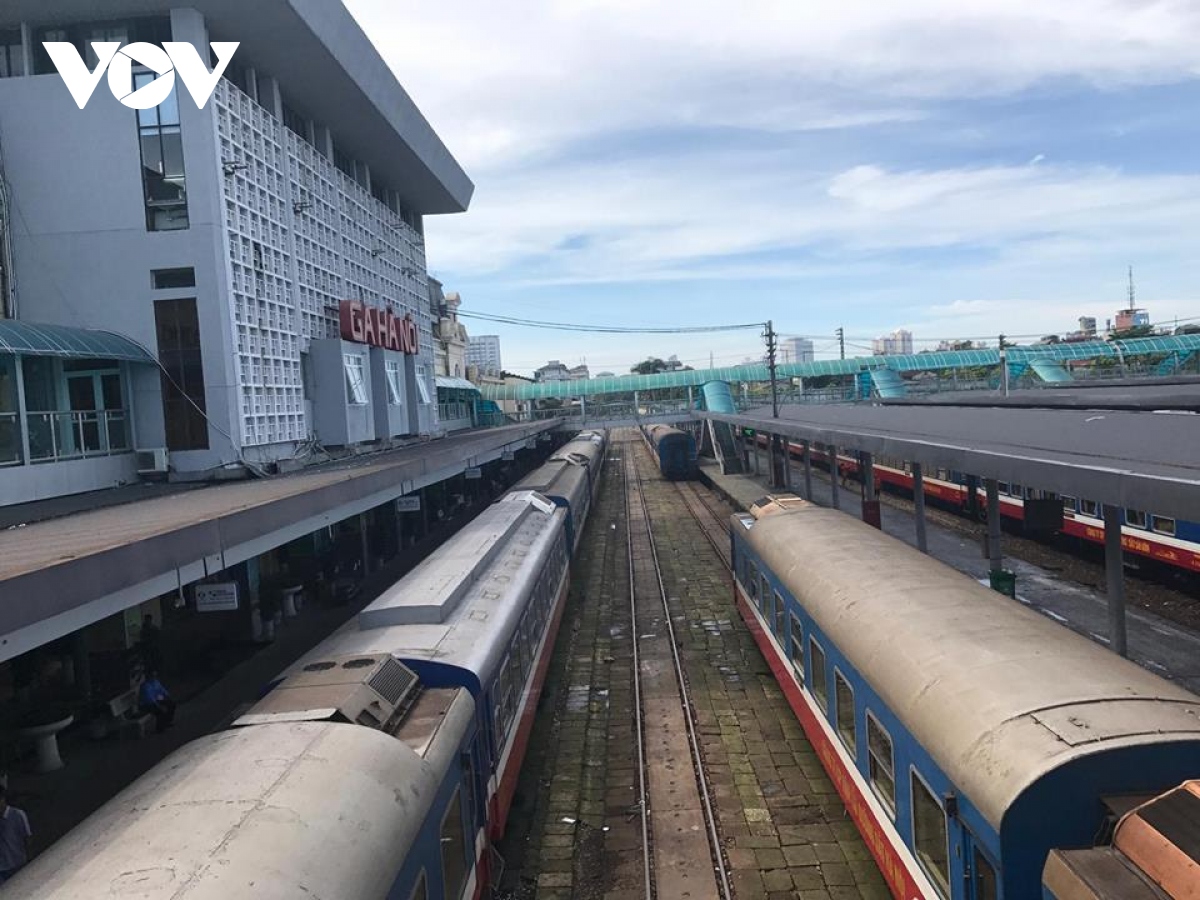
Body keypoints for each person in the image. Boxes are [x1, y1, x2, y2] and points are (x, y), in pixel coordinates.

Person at [0, 787, 31, 884]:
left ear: (3, 799)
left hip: (18, 863)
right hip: (2, 867)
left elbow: (27, 838)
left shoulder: (17, 814)